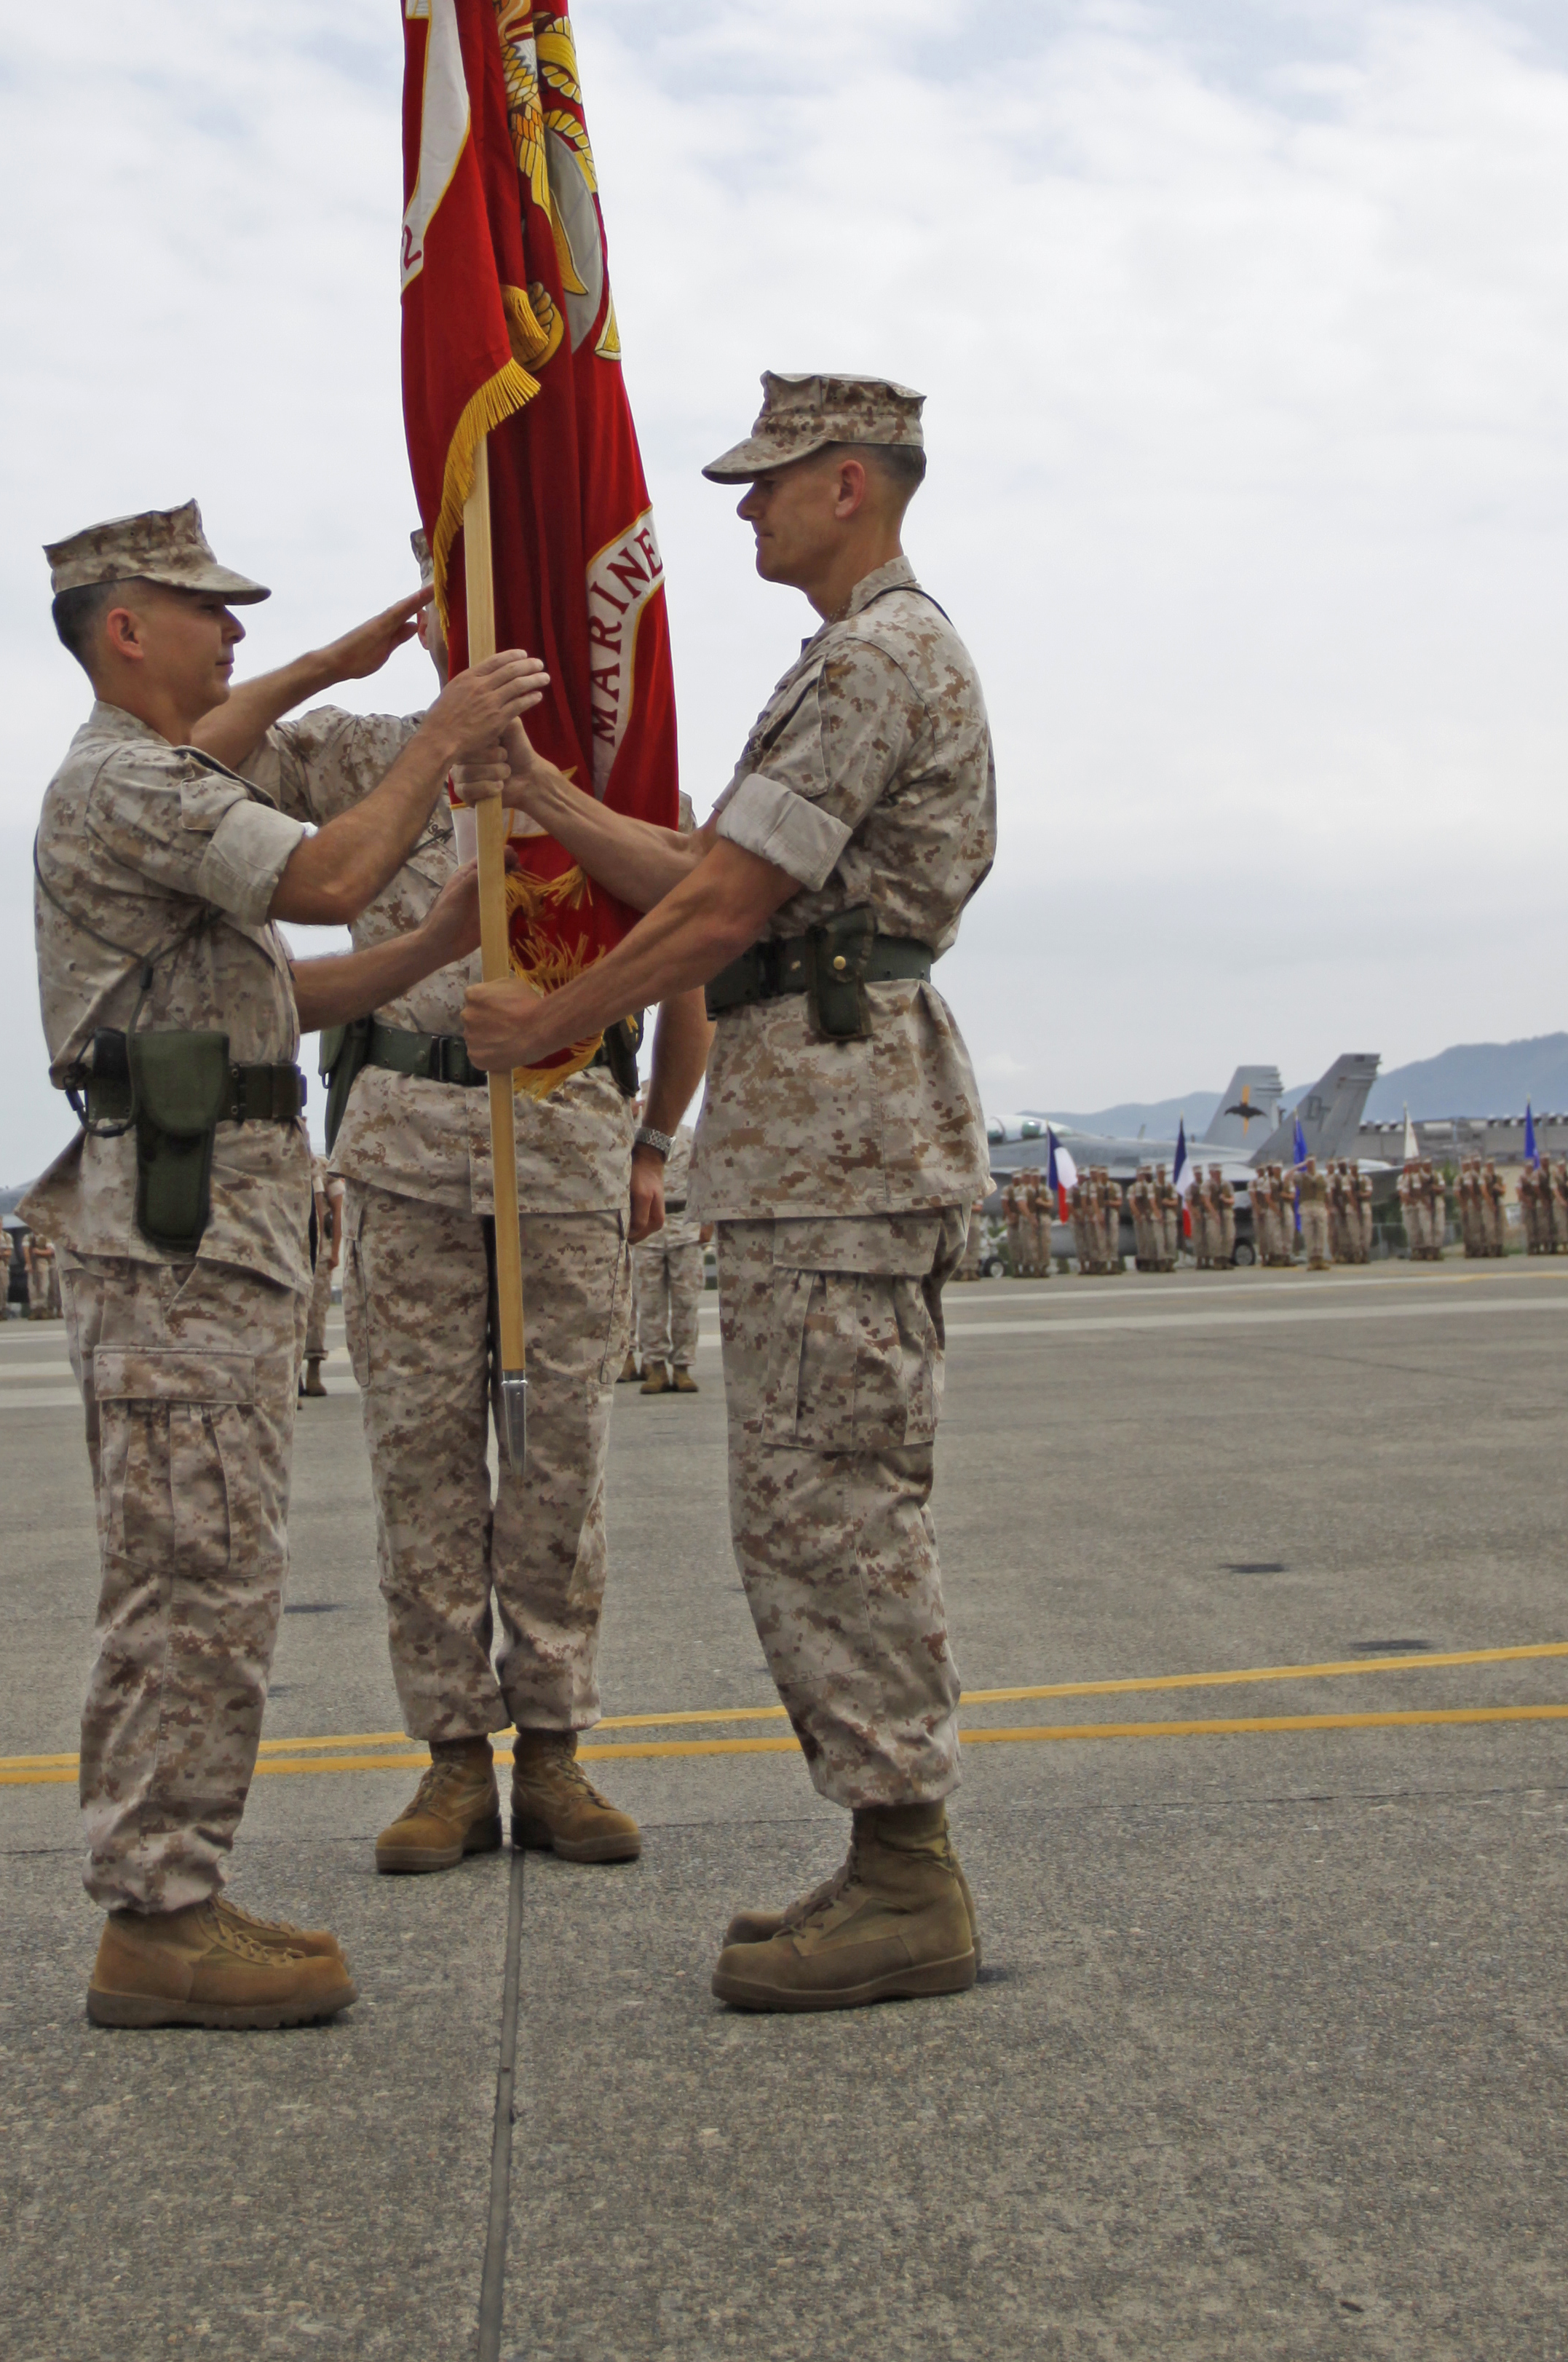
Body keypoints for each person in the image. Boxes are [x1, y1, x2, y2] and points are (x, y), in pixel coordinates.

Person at [466, 371, 993, 2016]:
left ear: (852, 481)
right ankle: (881, 1843)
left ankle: (909, 1866)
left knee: (834, 1500)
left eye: (768, 482)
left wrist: (554, 1023)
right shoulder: (842, 658)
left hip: (841, 1145)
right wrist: (549, 802)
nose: (744, 507)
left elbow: (720, 906)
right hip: (806, 1145)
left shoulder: (878, 658)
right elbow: (713, 875)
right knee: (800, 1505)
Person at [22, 493, 546, 2031]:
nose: (235, 633)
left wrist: (436, 934)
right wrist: (438, 734)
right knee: (191, 1582)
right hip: (178, 1249)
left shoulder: (153, 780)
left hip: (218, 1243)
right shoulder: (128, 785)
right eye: (210, 609)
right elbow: (319, 878)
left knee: (221, 1574)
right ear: (128, 628)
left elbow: (280, 1005)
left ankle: (179, 1895)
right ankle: (159, 1919)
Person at [204, 526, 710, 1877]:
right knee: (419, 1464)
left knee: (557, 1471)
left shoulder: (601, 759)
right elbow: (198, 752)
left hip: (562, 1143)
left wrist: (655, 1142)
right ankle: (446, 1756)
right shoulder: (367, 750)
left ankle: (552, 1749)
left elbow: (691, 961)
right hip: (406, 1153)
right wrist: (332, 661)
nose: (461, 607)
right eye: (444, 583)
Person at [630, 1124, 702, 1391]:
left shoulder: (689, 1136)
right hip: (649, 1229)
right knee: (650, 1304)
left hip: (684, 1226)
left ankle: (682, 1368)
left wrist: (708, 1223)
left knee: (687, 1300)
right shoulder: (634, 1137)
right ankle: (656, 1367)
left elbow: (703, 1175)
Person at [300, 1167, 340, 1399]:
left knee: (317, 1315)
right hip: (291, 1249)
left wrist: (334, 1251)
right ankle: (294, 1379)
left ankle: (313, 1373)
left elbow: (338, 1207)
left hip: (320, 1254)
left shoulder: (323, 1169)